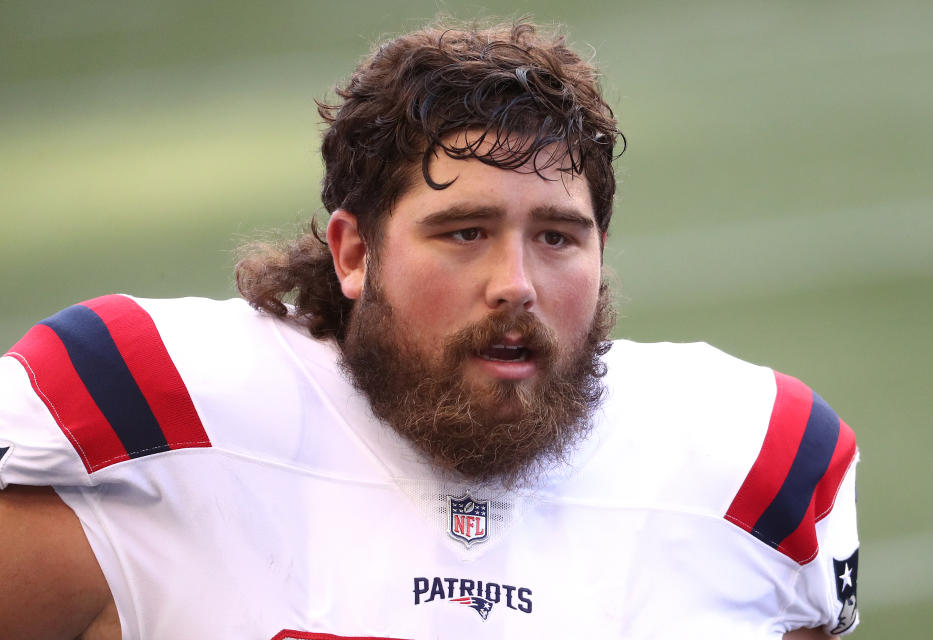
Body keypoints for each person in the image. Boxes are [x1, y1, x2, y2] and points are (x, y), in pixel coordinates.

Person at [0, 20, 859, 640]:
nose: (516, 286)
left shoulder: (750, 465)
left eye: (558, 236)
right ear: (353, 252)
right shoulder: (150, 418)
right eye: (464, 233)